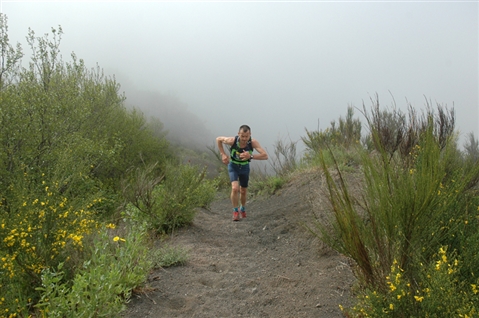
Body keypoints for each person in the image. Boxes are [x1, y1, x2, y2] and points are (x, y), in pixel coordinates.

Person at [216, 125, 268, 221]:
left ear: (250, 135)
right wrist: (223, 154)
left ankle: (242, 208)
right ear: (238, 134)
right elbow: (218, 139)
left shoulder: (252, 143)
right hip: (233, 166)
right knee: (235, 188)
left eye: (246, 136)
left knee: (243, 191)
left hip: (244, 167)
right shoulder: (232, 141)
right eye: (242, 136)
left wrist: (250, 156)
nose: (244, 139)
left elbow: (265, 156)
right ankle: (235, 211)